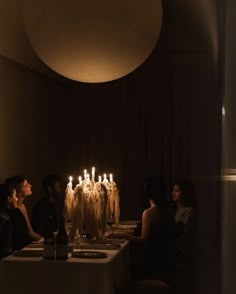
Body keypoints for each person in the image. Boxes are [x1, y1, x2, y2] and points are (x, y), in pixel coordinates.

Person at [110, 176, 176, 279]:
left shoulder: (149, 213)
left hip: (151, 262)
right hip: (165, 259)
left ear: (147, 193)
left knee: (122, 271)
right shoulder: (168, 211)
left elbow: (143, 240)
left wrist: (124, 235)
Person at [5, 176, 42, 250]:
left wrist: (45, 240)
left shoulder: (23, 206)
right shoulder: (10, 211)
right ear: (17, 190)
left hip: (26, 245)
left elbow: (30, 232)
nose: (30, 186)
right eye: (26, 185)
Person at [172, 180, 195, 263]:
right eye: (173, 190)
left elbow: (187, 234)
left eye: (177, 191)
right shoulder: (173, 209)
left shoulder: (189, 210)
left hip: (182, 252)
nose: (173, 193)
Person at [0, 183, 18, 258]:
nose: (17, 199)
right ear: (9, 199)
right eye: (15, 196)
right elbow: (6, 248)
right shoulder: (4, 219)